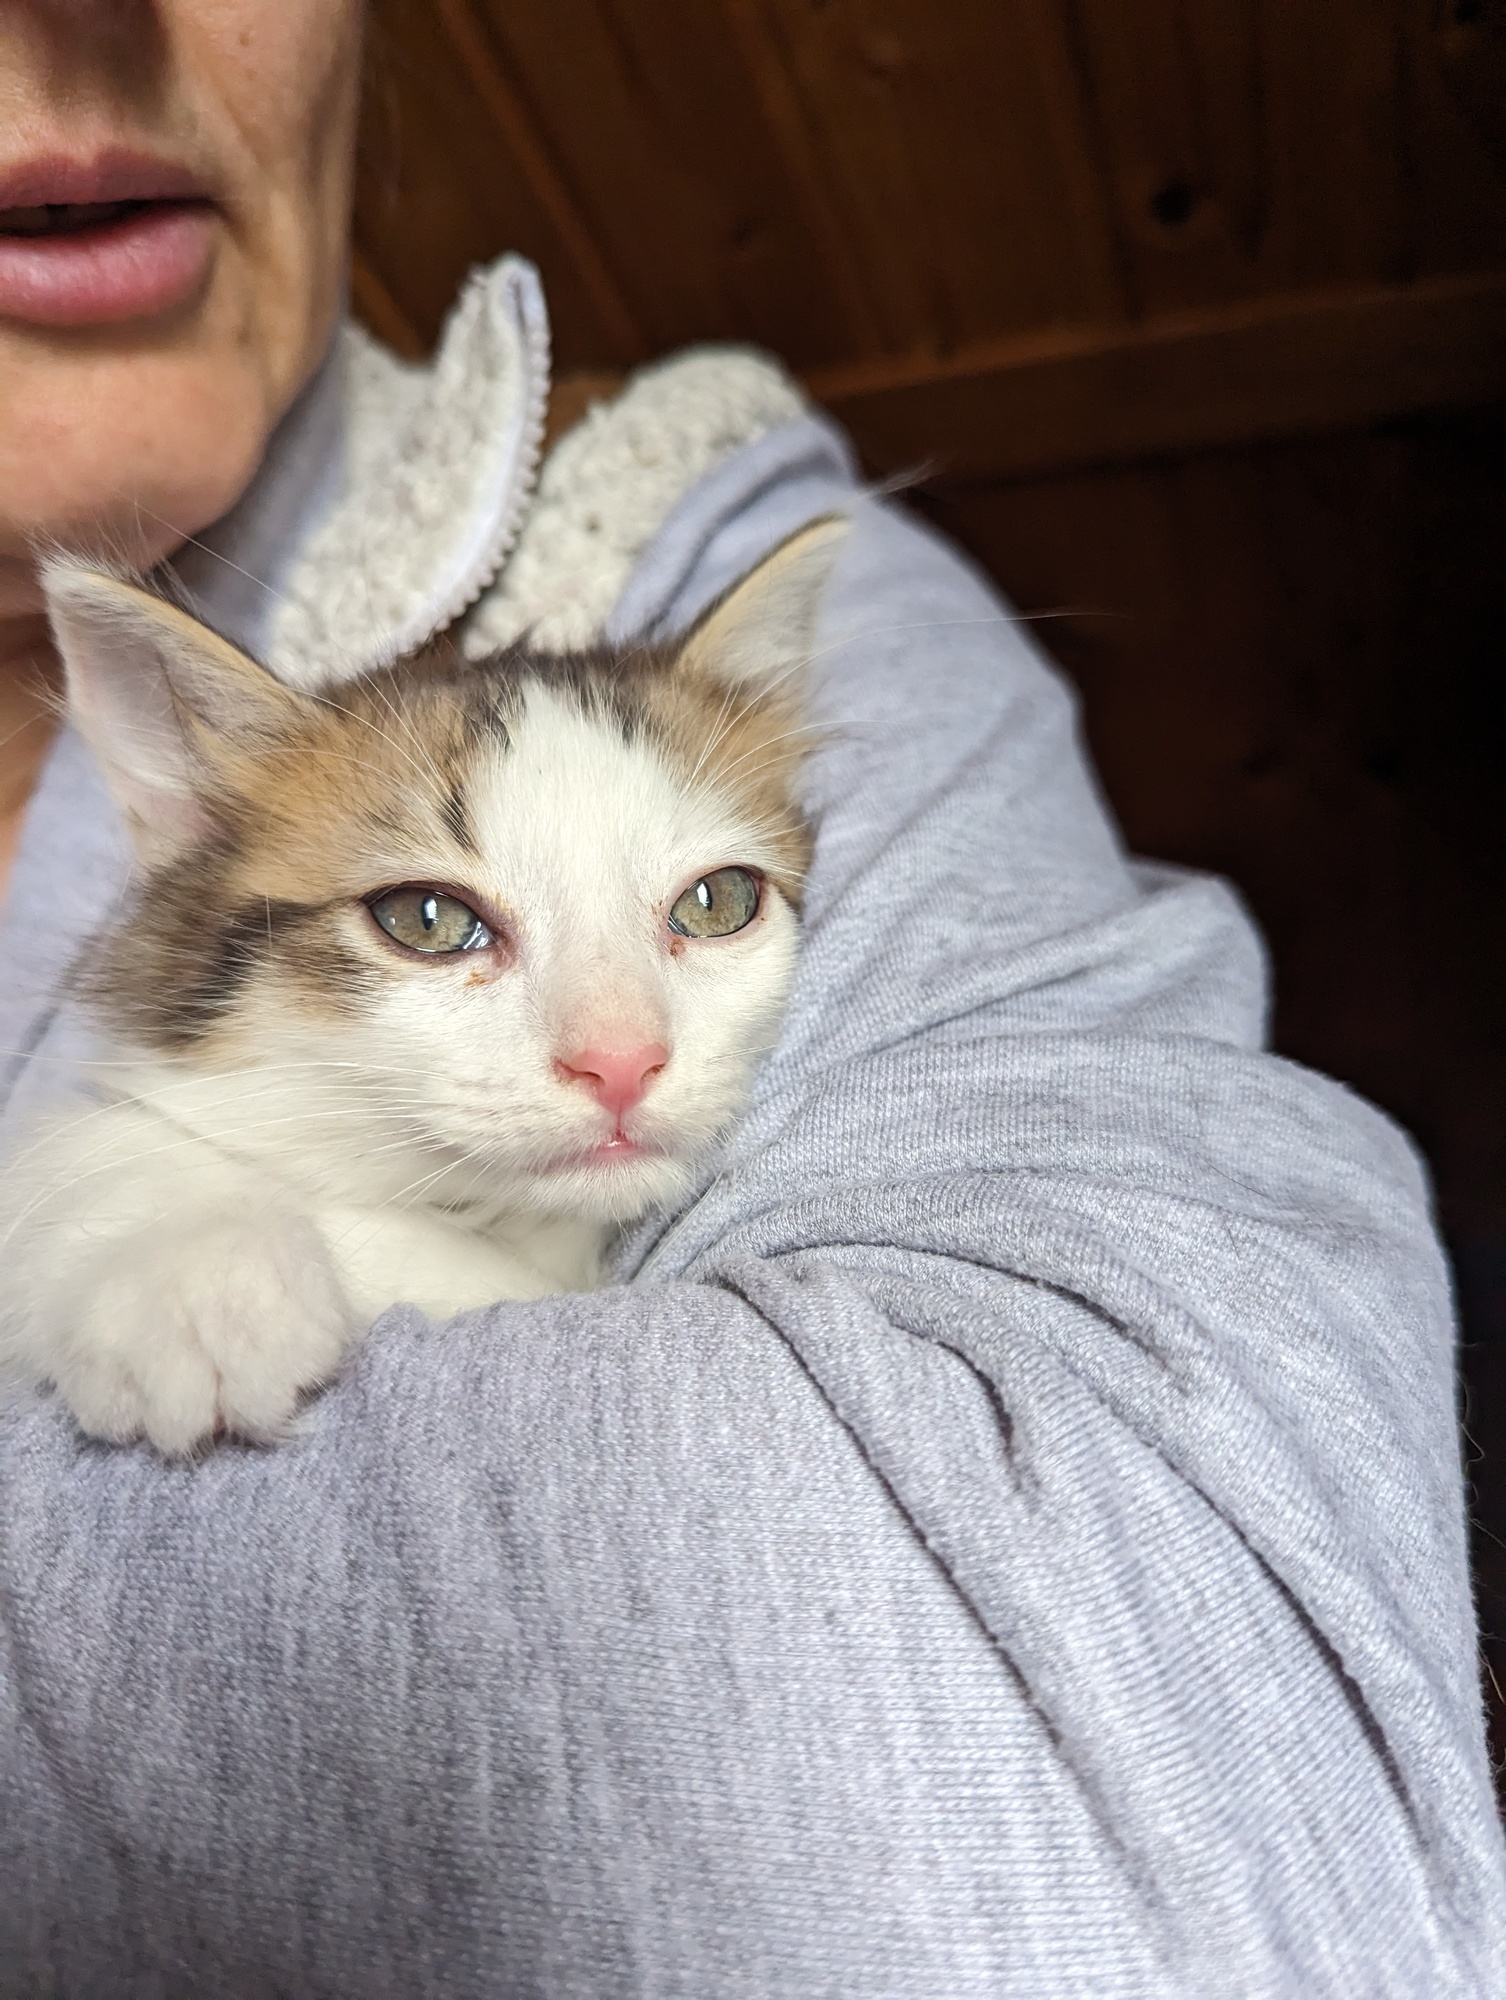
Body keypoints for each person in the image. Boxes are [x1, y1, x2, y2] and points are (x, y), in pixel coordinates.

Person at [2, 4, 1503, 1994]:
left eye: (714, 903)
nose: (621, 1048)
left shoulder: (687, 516)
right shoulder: (181, 1030)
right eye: (437, 917)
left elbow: (1082, 1816)